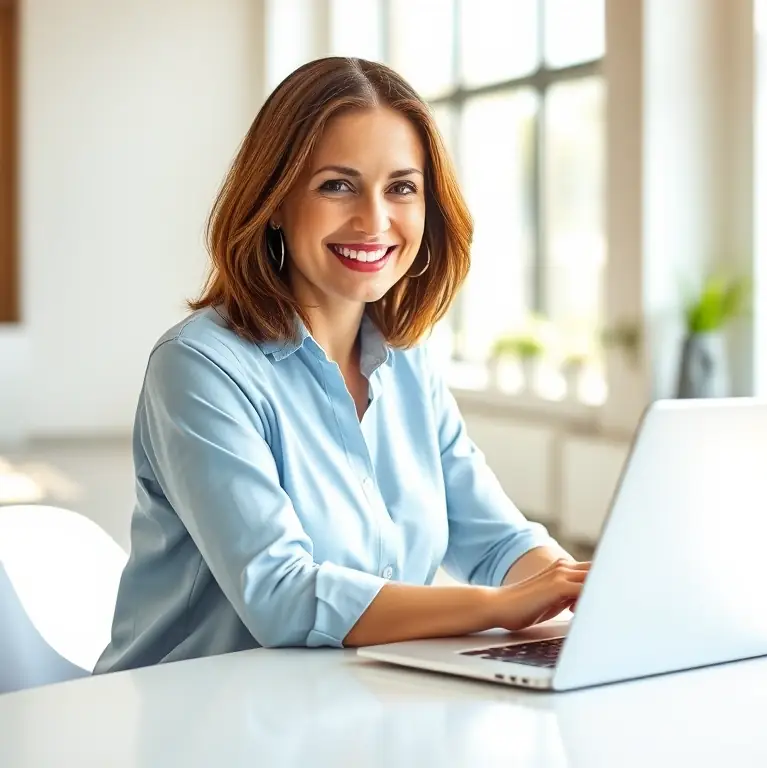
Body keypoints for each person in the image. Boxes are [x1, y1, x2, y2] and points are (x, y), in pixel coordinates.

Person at [94, 57, 589, 674]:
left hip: (339, 706)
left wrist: (584, 592)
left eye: (402, 188)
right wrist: (499, 605)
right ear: (274, 201)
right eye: (337, 184)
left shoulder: (409, 362)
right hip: (189, 714)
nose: (375, 220)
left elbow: (497, 540)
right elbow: (283, 596)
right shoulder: (199, 369)